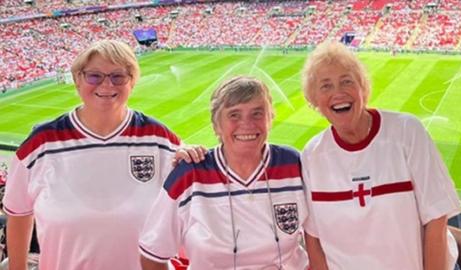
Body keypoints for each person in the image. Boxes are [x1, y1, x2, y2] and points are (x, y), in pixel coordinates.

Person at [2, 40, 184, 270]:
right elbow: (18, 214)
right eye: (94, 76)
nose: (107, 85)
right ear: (77, 80)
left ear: (132, 82)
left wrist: (194, 156)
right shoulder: (40, 143)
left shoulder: (159, 138)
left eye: (118, 76)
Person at [300, 41, 461, 270]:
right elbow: (313, 239)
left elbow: (436, 219)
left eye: (347, 81)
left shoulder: (407, 132)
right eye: (325, 86)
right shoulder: (312, 155)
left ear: (363, 88)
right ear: (313, 99)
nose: (338, 92)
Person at [139, 76, 309, 269]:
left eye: (257, 113)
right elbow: (152, 255)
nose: (247, 124)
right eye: (234, 115)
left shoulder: (293, 164)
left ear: (271, 118)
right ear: (216, 125)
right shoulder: (190, 175)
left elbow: (320, 234)